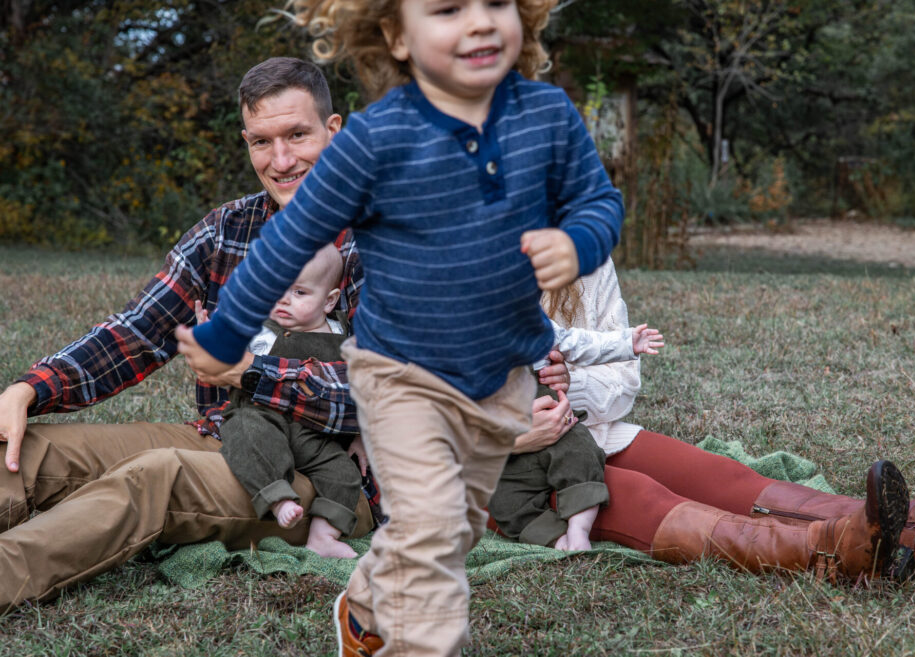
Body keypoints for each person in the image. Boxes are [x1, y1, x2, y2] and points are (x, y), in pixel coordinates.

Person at [175, 1, 624, 655]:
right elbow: (284, 246)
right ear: (396, 35)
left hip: (496, 375)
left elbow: (599, 199)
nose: (478, 22)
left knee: (459, 520)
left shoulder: (549, 116)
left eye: (496, 3)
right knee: (432, 529)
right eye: (446, 9)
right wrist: (224, 333)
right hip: (398, 373)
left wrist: (580, 240)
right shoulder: (374, 139)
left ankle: (364, 610)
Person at [0, 57, 376, 611]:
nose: (282, 160)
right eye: (261, 142)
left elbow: (388, 398)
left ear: (334, 131)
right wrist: (32, 388)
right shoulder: (225, 230)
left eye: (298, 135)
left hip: (322, 481)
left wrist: (251, 372)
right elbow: (136, 332)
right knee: (30, 450)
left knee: (157, 475)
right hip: (223, 435)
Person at [498, 257, 915, 579]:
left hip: (590, 429)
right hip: (501, 469)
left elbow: (623, 380)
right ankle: (833, 552)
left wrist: (570, 386)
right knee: (636, 495)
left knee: (719, 475)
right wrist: (512, 434)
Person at [214, 244, 366, 559]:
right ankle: (278, 497)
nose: (283, 299)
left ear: (329, 301)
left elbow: (358, 389)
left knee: (343, 473)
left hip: (315, 434)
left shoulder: (344, 335)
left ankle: (323, 535)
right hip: (264, 418)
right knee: (246, 433)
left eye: (299, 292)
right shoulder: (262, 331)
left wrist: (360, 434)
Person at [489, 322, 663, 551]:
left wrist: (625, 342)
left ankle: (579, 529)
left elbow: (578, 343)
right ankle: (556, 539)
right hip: (498, 430)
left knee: (579, 453)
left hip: (547, 411)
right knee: (503, 498)